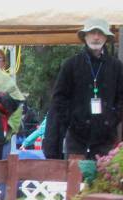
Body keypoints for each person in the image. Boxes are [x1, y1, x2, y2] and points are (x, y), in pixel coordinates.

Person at [44, 18, 123, 160]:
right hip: (76, 138)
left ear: (106, 37)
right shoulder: (71, 65)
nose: (96, 37)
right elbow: (59, 98)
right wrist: (72, 120)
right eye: (92, 32)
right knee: (75, 179)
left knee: (102, 180)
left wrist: (112, 118)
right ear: (85, 36)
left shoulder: (116, 67)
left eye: (100, 33)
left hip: (105, 139)